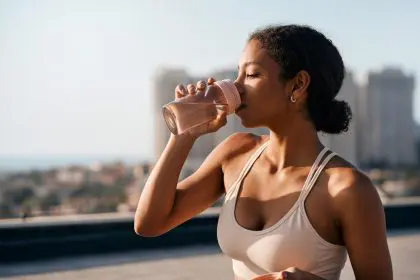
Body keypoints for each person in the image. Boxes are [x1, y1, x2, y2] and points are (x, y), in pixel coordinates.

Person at [134, 24, 393, 280]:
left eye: (252, 75)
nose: (236, 87)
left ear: (298, 85)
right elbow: (150, 224)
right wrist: (183, 136)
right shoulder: (235, 153)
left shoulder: (348, 189)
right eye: (237, 74)